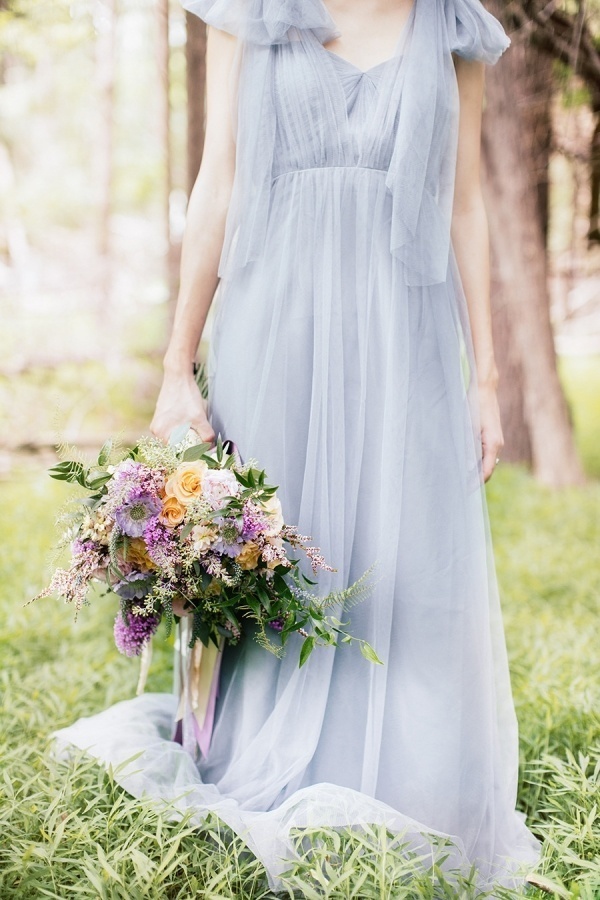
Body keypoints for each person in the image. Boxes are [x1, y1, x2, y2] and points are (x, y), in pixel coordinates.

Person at [53, 0, 542, 892]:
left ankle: (397, 767)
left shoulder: (454, 25)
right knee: (285, 551)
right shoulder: (249, 11)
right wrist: (176, 366)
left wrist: (488, 377)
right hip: (275, 325)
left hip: (407, 333)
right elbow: (217, 181)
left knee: (401, 556)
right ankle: (256, 748)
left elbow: (463, 203)